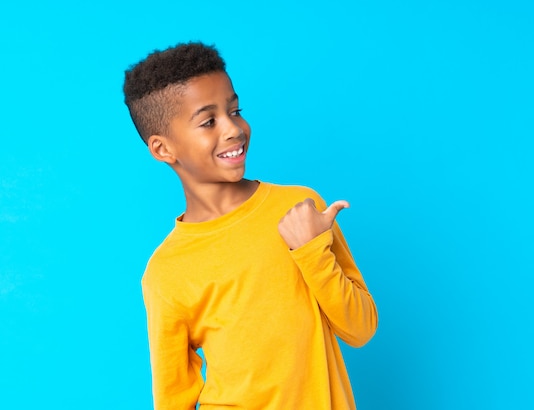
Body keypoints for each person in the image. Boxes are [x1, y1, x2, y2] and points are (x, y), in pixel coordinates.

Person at [122, 42, 378, 410]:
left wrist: (312, 253)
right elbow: (173, 395)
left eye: (235, 111)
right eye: (208, 121)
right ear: (163, 149)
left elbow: (361, 328)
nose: (233, 129)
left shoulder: (300, 208)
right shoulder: (166, 272)